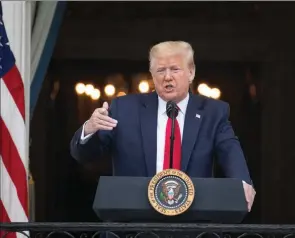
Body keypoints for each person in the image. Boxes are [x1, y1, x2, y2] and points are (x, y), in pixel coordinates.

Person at [70, 41, 256, 211]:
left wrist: (242, 181)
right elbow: (85, 155)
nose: (167, 77)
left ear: (191, 72)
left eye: (175, 69)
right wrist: (89, 129)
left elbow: (230, 149)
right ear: (152, 75)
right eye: (160, 70)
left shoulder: (213, 112)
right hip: (133, 222)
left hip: (192, 223)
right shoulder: (124, 109)